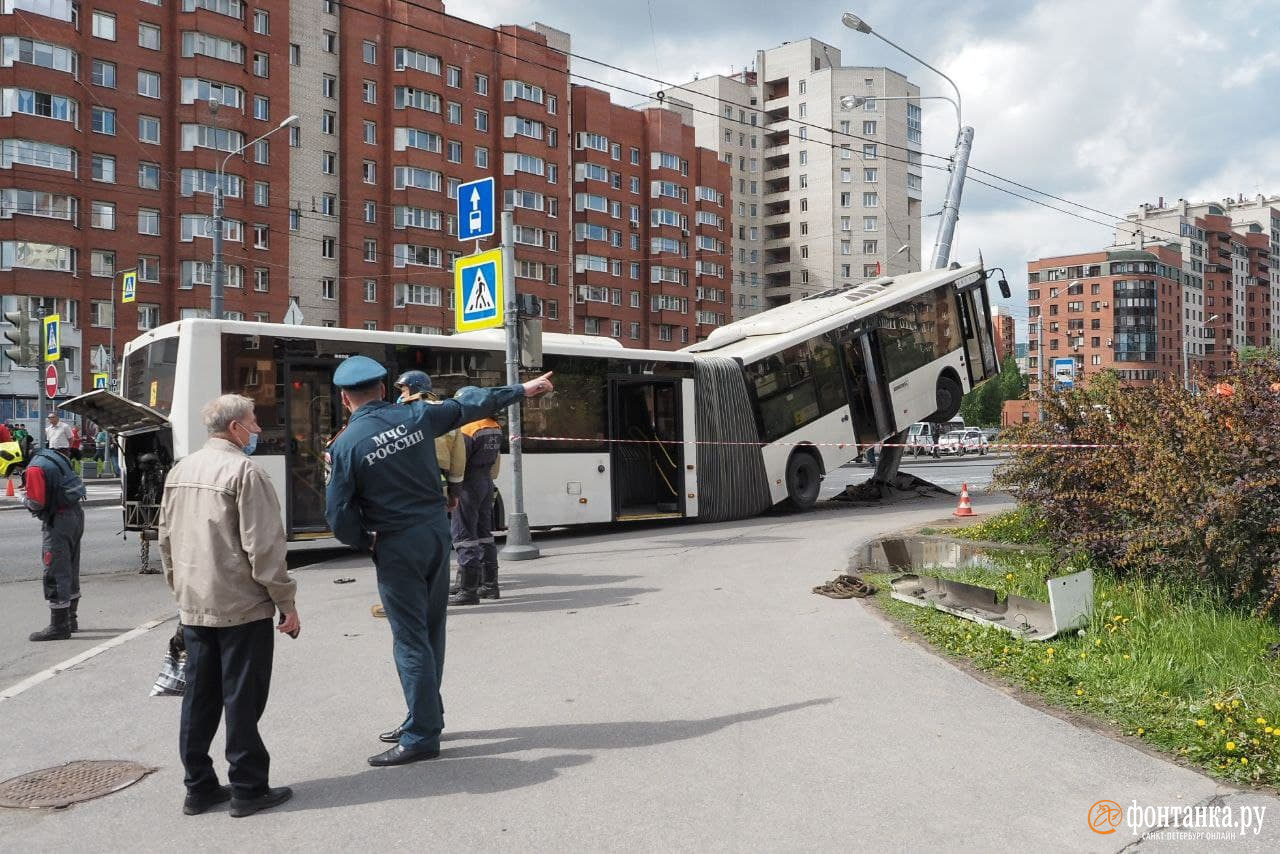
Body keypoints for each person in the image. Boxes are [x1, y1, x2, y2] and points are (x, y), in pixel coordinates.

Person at [324, 355, 553, 767]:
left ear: (344, 398)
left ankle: (422, 734)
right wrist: (522, 389)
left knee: (410, 638)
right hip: (434, 535)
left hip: (396, 543)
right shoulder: (416, 416)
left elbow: (338, 516)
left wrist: (366, 540)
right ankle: (425, 714)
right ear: (381, 389)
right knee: (431, 630)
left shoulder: (346, 445)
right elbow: (472, 404)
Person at [158, 394, 300, 818]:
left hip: (195, 604)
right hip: (241, 605)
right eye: (253, 422)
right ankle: (248, 788)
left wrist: (180, 591)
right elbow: (265, 549)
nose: (257, 430)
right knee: (242, 698)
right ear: (235, 428)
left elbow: (166, 540)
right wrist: (286, 603)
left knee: (199, 698)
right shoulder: (245, 471)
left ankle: (198, 787)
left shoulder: (181, 469)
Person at [23, 444, 86, 641]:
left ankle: (59, 626)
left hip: (58, 520)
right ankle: (70, 619)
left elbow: (37, 503)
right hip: (75, 514)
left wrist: (23, 499)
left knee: (55, 570)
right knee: (70, 567)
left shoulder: (34, 468)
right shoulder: (53, 456)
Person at [447, 415, 504, 606]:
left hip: (468, 484)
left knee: (464, 536)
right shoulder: (494, 426)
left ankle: (468, 590)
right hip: (485, 482)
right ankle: (489, 585)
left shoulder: (468, 428)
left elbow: (459, 461)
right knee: (484, 534)